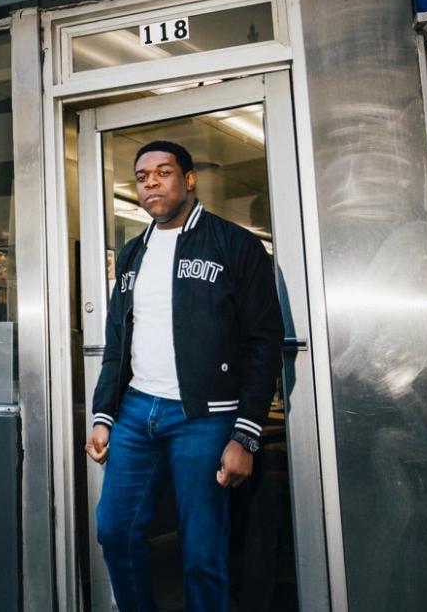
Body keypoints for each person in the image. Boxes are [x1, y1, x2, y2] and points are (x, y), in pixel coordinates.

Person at [85, 140, 284, 612]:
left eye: (164, 172)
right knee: (114, 529)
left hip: (205, 417)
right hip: (136, 412)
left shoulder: (234, 244)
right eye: (142, 176)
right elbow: (118, 344)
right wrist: (103, 416)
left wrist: (247, 434)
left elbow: (264, 340)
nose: (151, 182)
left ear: (188, 179)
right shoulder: (132, 253)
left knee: (202, 550)